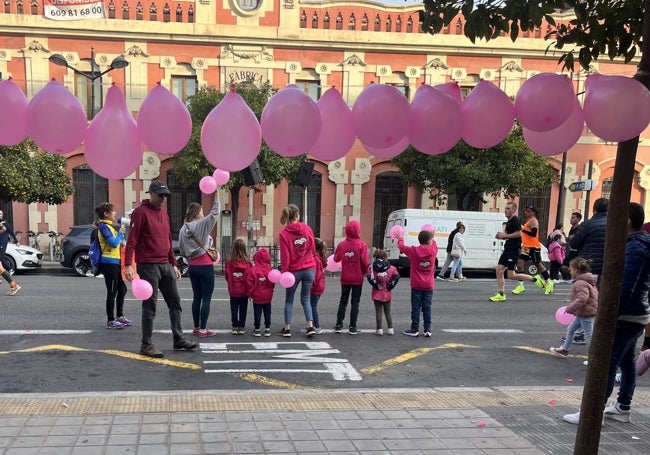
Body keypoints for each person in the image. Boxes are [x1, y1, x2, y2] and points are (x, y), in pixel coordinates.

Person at [563, 202, 650, 425]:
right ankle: (622, 407)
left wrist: (609, 316)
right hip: (635, 314)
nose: (611, 223)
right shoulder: (638, 244)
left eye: (616, 218)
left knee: (608, 363)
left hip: (625, 316)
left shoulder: (635, 248)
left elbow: (625, 286)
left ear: (627, 220)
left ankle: (592, 413)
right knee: (628, 362)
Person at [124, 180, 198, 358]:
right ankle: (146, 345)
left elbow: (167, 241)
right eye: (160, 195)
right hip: (148, 265)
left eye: (166, 195)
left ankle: (178, 338)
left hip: (165, 264)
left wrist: (173, 264)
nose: (163, 198)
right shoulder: (141, 213)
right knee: (150, 306)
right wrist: (128, 265)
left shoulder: (164, 214)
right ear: (151, 193)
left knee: (175, 302)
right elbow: (132, 240)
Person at [561, 199, 608, 344]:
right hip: (607, 268)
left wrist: (568, 262)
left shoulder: (587, 224)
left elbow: (574, 245)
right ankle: (591, 332)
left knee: (585, 299)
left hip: (589, 266)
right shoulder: (616, 224)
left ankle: (583, 333)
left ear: (594, 209)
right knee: (599, 300)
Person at [178, 193, 220, 338]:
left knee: (197, 297)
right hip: (205, 265)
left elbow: (182, 250)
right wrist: (217, 197)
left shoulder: (184, 228)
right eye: (201, 211)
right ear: (196, 214)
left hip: (193, 267)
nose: (203, 214)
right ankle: (203, 329)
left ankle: (196, 327)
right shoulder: (200, 224)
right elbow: (214, 213)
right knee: (207, 297)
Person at [489, 202, 545, 302]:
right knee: (499, 270)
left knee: (511, 275)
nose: (506, 210)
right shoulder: (509, 221)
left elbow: (519, 234)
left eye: (508, 208)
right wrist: (501, 236)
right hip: (507, 249)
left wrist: (505, 236)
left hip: (513, 250)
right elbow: (510, 235)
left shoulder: (515, 220)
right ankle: (501, 294)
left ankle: (536, 280)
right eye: (505, 208)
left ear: (513, 210)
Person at [278, 204, 316, 337]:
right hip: (309, 267)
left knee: (289, 300)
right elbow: (312, 248)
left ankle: (287, 328)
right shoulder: (307, 229)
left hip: (294, 271)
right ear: (297, 215)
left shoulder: (284, 234)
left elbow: (285, 257)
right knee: (306, 299)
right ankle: (310, 326)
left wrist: (285, 272)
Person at [549, 257, 598, 357]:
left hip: (585, 312)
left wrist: (570, 308)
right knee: (571, 329)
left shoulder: (580, 283)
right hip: (583, 311)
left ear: (576, 270)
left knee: (590, 334)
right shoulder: (588, 281)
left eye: (571, 269)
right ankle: (565, 349)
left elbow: (582, 299)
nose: (570, 271)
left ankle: (598, 355)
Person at [395, 228, 437, 337]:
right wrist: (433, 235)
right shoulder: (433, 250)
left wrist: (400, 239)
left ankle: (414, 329)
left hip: (417, 284)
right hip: (429, 285)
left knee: (416, 307)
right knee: (427, 307)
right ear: (429, 241)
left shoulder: (413, 251)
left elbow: (402, 247)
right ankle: (427, 329)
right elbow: (434, 243)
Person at [94, 202, 130, 329]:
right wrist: (120, 233)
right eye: (113, 211)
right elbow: (114, 243)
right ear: (106, 214)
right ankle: (110, 320)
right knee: (112, 291)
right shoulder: (104, 227)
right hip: (108, 264)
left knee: (123, 289)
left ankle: (119, 316)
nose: (115, 213)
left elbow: (118, 244)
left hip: (115, 263)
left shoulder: (109, 227)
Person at [333, 220, 370, 335]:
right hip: (357, 278)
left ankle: (339, 324)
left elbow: (336, 259)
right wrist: (365, 272)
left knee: (343, 300)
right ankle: (352, 326)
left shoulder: (342, 245)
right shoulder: (362, 245)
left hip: (345, 278)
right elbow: (365, 262)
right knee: (355, 302)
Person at [511, 206, 554, 295]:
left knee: (539, 265)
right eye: (525, 210)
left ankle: (549, 283)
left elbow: (534, 234)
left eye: (528, 211)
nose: (526, 212)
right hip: (526, 247)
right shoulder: (528, 221)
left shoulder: (534, 221)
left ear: (533, 213)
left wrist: (523, 230)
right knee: (519, 265)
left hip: (533, 247)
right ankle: (521, 286)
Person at [366, 248, 399, 335]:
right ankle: (390, 329)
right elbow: (396, 276)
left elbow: (370, 278)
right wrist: (389, 286)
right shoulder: (391, 268)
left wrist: (377, 285)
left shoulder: (372, 268)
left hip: (377, 292)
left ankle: (379, 329)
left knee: (378, 311)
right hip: (387, 292)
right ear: (385, 257)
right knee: (388, 311)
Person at [225, 239, 251, 335]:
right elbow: (250, 277)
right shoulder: (248, 263)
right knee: (243, 309)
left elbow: (227, 276)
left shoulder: (229, 262)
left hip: (233, 289)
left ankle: (234, 326)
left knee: (234, 308)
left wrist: (231, 282)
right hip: (244, 290)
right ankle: (241, 326)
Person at [246, 248, 275, 337]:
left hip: (257, 296)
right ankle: (267, 329)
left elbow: (249, 283)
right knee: (267, 312)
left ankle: (257, 329)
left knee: (257, 312)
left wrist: (250, 294)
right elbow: (272, 282)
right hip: (267, 296)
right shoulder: (270, 269)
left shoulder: (253, 270)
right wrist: (271, 290)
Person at [310, 238, 328, 334]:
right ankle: (312, 324)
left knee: (312, 306)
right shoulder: (318, 258)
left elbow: (315, 276)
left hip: (315, 287)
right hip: (319, 285)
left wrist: (309, 283)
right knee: (312, 305)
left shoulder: (315, 259)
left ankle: (316, 326)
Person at [0, 209, 17, 276]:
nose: (0, 215)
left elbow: (10, 231)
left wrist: (16, 241)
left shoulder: (4, 223)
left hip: (2, 242)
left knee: (1, 257)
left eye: (1, 214)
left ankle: (10, 269)